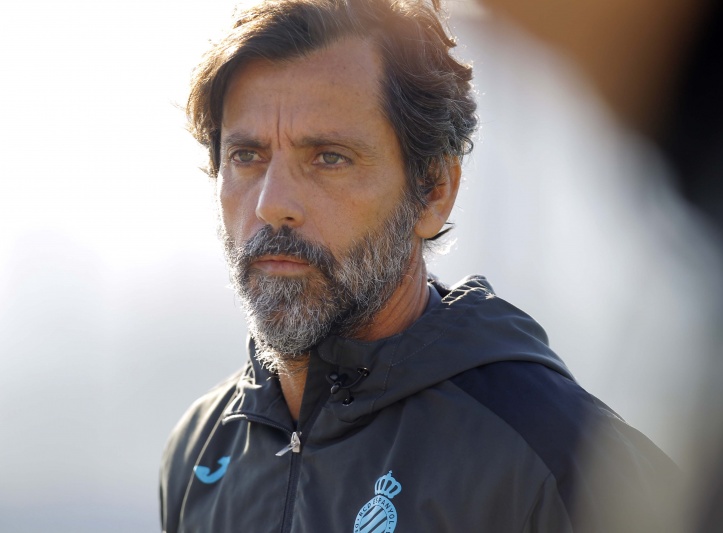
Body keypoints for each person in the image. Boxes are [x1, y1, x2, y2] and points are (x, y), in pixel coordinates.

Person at [159, 1, 679, 531]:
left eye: (329, 157)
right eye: (246, 156)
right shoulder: (200, 449)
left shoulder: (561, 457)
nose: (273, 204)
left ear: (433, 191)